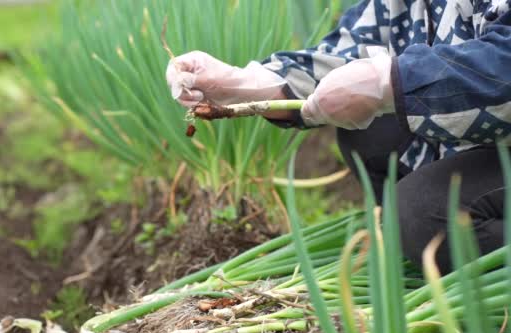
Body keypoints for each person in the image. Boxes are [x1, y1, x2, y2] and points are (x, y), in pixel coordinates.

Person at [166, 0, 511, 273]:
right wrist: (244, 84)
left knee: (423, 213)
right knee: (370, 137)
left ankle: (461, 259)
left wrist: (389, 82)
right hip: (485, 142)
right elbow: (352, 49)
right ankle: (441, 254)